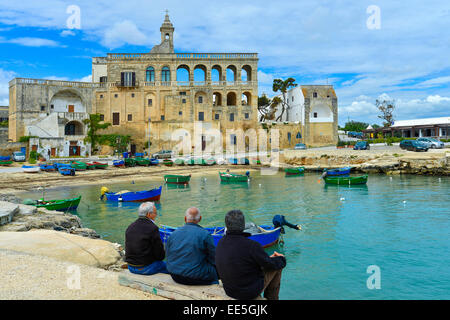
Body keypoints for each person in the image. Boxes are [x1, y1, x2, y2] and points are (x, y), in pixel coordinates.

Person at [215, 210, 286, 300]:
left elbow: (241, 261)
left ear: (227, 225)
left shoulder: (220, 243)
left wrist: (267, 259)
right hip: (248, 292)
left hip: (230, 290)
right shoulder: (252, 245)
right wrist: (281, 258)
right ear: (243, 225)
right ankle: (272, 298)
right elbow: (270, 264)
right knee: (278, 266)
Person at [165, 207, 219, 285]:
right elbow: (214, 259)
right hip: (195, 277)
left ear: (185, 218)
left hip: (174, 275)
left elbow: (168, 254)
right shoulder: (205, 234)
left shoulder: (173, 234)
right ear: (200, 219)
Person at [124, 202, 168, 275]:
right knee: (173, 267)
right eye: (155, 213)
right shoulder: (153, 228)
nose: (156, 215)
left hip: (131, 267)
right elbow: (160, 256)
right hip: (145, 268)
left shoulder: (130, 226)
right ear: (148, 214)